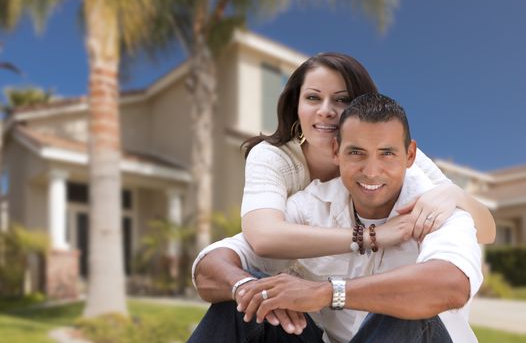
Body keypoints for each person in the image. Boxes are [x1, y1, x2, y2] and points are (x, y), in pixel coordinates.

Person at [190, 93, 482, 342]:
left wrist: (327, 293)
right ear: (336, 152)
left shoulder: (437, 208)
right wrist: (244, 288)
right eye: (356, 152)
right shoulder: (311, 206)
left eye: (387, 154)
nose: (371, 170)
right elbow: (211, 266)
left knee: (410, 310)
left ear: (410, 155)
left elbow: (451, 285)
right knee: (243, 306)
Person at [239, 52, 495, 262]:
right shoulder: (274, 159)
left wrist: (455, 195)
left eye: (341, 100)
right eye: (313, 98)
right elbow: (263, 237)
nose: (325, 111)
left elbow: (486, 232)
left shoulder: (394, 155)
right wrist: (374, 235)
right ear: (296, 105)